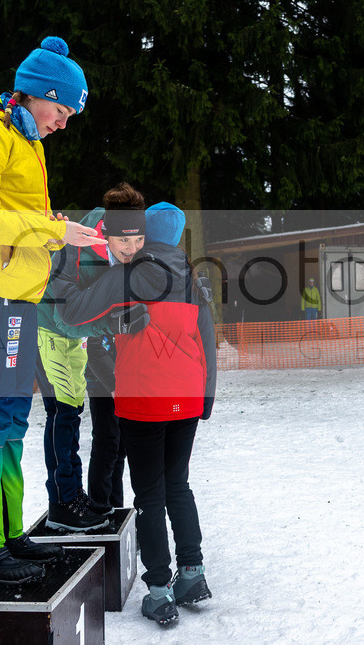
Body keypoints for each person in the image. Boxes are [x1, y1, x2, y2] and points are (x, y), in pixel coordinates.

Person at [0, 36, 105, 584]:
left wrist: (51, 229)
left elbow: (14, 218)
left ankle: (9, 532)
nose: (63, 124)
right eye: (61, 110)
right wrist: (54, 230)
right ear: (37, 94)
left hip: (20, 295)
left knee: (12, 421)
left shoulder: (24, 135)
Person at [67, 202, 217, 626]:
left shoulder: (126, 275)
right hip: (187, 397)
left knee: (149, 495)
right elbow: (207, 340)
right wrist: (207, 397)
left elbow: (75, 312)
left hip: (143, 399)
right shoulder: (193, 278)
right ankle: (193, 573)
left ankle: (159, 590)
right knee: (179, 486)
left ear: (144, 235)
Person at [35, 184, 147, 531]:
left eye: (138, 240)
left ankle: (75, 498)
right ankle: (63, 503)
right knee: (64, 413)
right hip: (48, 329)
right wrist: (110, 324)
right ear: (106, 234)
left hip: (80, 338)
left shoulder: (125, 253)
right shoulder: (80, 247)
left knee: (73, 413)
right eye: (124, 241)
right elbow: (63, 314)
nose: (131, 249)